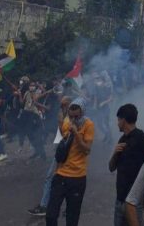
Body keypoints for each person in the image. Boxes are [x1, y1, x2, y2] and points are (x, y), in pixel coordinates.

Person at [46, 97, 94, 226]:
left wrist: (76, 133)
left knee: (72, 217)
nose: (72, 113)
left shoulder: (88, 124)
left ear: (82, 110)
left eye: (75, 109)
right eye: (71, 109)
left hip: (77, 177)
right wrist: (61, 110)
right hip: (61, 175)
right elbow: (62, 136)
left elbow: (87, 150)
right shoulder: (67, 121)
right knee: (51, 214)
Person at [109, 104, 144, 226]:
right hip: (120, 200)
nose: (117, 123)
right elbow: (111, 167)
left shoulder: (143, 139)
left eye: (118, 120)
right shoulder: (122, 140)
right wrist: (115, 153)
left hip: (136, 203)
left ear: (123, 120)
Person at [28, 96, 72, 216]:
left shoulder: (70, 120)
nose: (62, 108)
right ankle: (65, 207)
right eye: (61, 105)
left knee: (54, 178)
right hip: (60, 151)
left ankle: (45, 206)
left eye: (64, 105)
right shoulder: (64, 118)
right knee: (60, 179)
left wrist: (60, 123)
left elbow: (66, 137)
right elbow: (59, 135)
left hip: (65, 153)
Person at [93, 74, 113, 142]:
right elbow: (95, 97)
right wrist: (94, 105)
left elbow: (110, 99)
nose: (98, 82)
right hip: (99, 109)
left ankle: (110, 138)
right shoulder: (96, 88)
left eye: (99, 80)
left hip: (106, 108)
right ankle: (106, 134)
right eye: (97, 80)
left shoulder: (107, 88)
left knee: (106, 123)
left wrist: (103, 103)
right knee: (99, 124)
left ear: (103, 81)